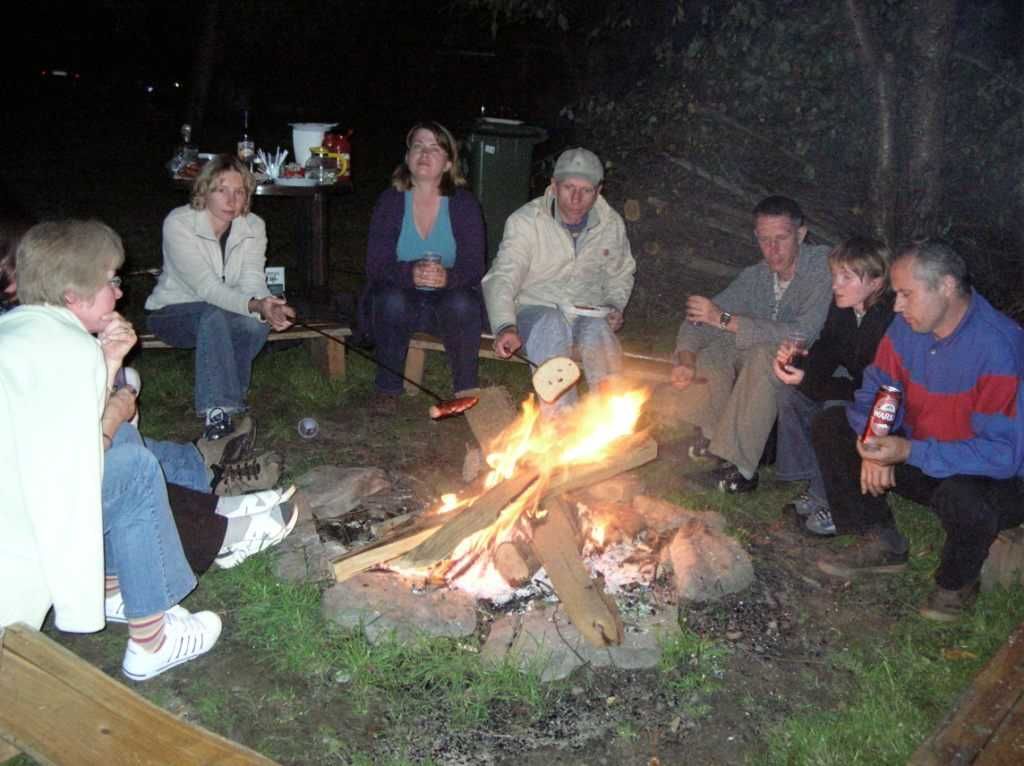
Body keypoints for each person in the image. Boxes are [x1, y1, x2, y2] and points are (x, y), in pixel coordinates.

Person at [1, 221, 230, 680]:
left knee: (126, 444)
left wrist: (109, 363)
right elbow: (78, 466)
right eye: (110, 281)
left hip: (22, 499)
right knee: (133, 467)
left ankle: (108, 585)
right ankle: (152, 640)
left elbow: (64, 435)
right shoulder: (66, 349)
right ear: (73, 295)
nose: (119, 293)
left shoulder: (19, 330)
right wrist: (113, 412)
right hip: (18, 533)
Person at [811, 240, 1024, 621]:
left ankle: (956, 582)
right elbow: (877, 389)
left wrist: (908, 452)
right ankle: (880, 539)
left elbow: (1001, 454)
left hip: (992, 474)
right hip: (923, 453)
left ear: (945, 285)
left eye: (906, 294)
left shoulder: (998, 347)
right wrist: (871, 441)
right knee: (832, 425)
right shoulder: (906, 329)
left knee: (966, 495)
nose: (896, 306)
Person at [670, 195, 832, 493]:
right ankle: (713, 438)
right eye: (764, 239)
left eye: (781, 239)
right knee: (716, 350)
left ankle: (738, 471)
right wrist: (686, 358)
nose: (772, 249)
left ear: (801, 234)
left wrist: (726, 320)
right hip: (771, 356)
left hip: (817, 363)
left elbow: (803, 334)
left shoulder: (822, 267)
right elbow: (700, 319)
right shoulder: (757, 277)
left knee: (763, 352)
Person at [146, 154, 295, 439]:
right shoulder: (179, 223)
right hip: (172, 313)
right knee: (213, 314)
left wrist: (269, 306)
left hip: (221, 311)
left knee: (255, 322)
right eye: (221, 190)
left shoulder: (253, 226)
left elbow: (252, 278)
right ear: (204, 191)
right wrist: (254, 305)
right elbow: (207, 289)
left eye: (239, 192)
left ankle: (230, 400)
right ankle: (217, 412)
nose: (231, 199)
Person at [483, 147, 636, 413]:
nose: (576, 197)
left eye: (586, 190)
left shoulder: (611, 225)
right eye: (568, 187)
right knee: (551, 324)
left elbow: (620, 273)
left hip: (588, 311)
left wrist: (614, 305)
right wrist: (505, 325)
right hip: (535, 310)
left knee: (599, 332)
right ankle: (561, 420)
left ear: (598, 191)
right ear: (553, 185)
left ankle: (612, 417)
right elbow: (502, 276)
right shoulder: (527, 222)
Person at [772, 237, 894, 536]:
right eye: (835, 275)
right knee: (790, 394)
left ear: (876, 282)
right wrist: (796, 365)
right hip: (857, 387)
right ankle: (815, 483)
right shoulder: (843, 308)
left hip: (882, 404)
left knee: (833, 409)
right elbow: (827, 348)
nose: (835, 284)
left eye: (847, 277)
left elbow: (875, 389)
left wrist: (811, 382)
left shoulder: (890, 321)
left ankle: (830, 499)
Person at [363, 121, 485, 415]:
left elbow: (475, 266)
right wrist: (409, 273)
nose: (424, 153)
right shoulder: (391, 201)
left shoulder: (464, 204)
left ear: (448, 163)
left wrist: (448, 277)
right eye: (418, 145)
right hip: (401, 297)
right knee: (391, 299)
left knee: (463, 303)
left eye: (434, 147)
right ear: (407, 158)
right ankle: (387, 389)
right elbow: (375, 265)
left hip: (446, 299)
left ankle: (465, 392)